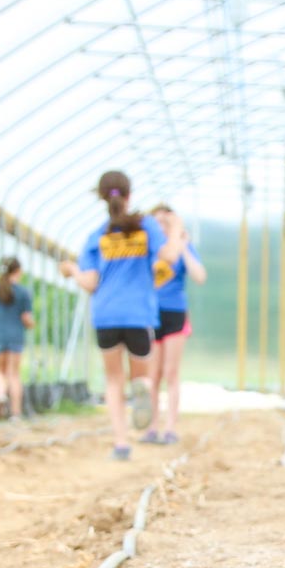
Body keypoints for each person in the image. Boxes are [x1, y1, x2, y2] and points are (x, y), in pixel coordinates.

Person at [60, 171, 178, 460]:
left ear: (102, 198)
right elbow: (170, 257)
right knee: (143, 377)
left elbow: (90, 283)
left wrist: (72, 270)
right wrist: (175, 229)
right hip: (138, 314)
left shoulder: (97, 236)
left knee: (113, 381)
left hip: (107, 315)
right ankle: (142, 390)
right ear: (129, 196)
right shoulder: (146, 226)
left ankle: (121, 444)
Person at [140, 203, 207, 445]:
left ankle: (170, 427)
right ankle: (152, 426)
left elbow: (200, 276)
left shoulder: (182, 247)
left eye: (165, 221)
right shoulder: (149, 249)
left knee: (171, 372)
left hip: (175, 313)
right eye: (156, 221)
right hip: (151, 314)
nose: (161, 225)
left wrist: (183, 243)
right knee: (153, 374)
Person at [0, 256, 35, 419]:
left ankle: (1, 396)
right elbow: (27, 319)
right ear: (17, 271)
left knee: (0, 372)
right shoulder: (23, 292)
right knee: (14, 374)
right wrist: (32, 324)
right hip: (16, 336)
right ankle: (16, 413)